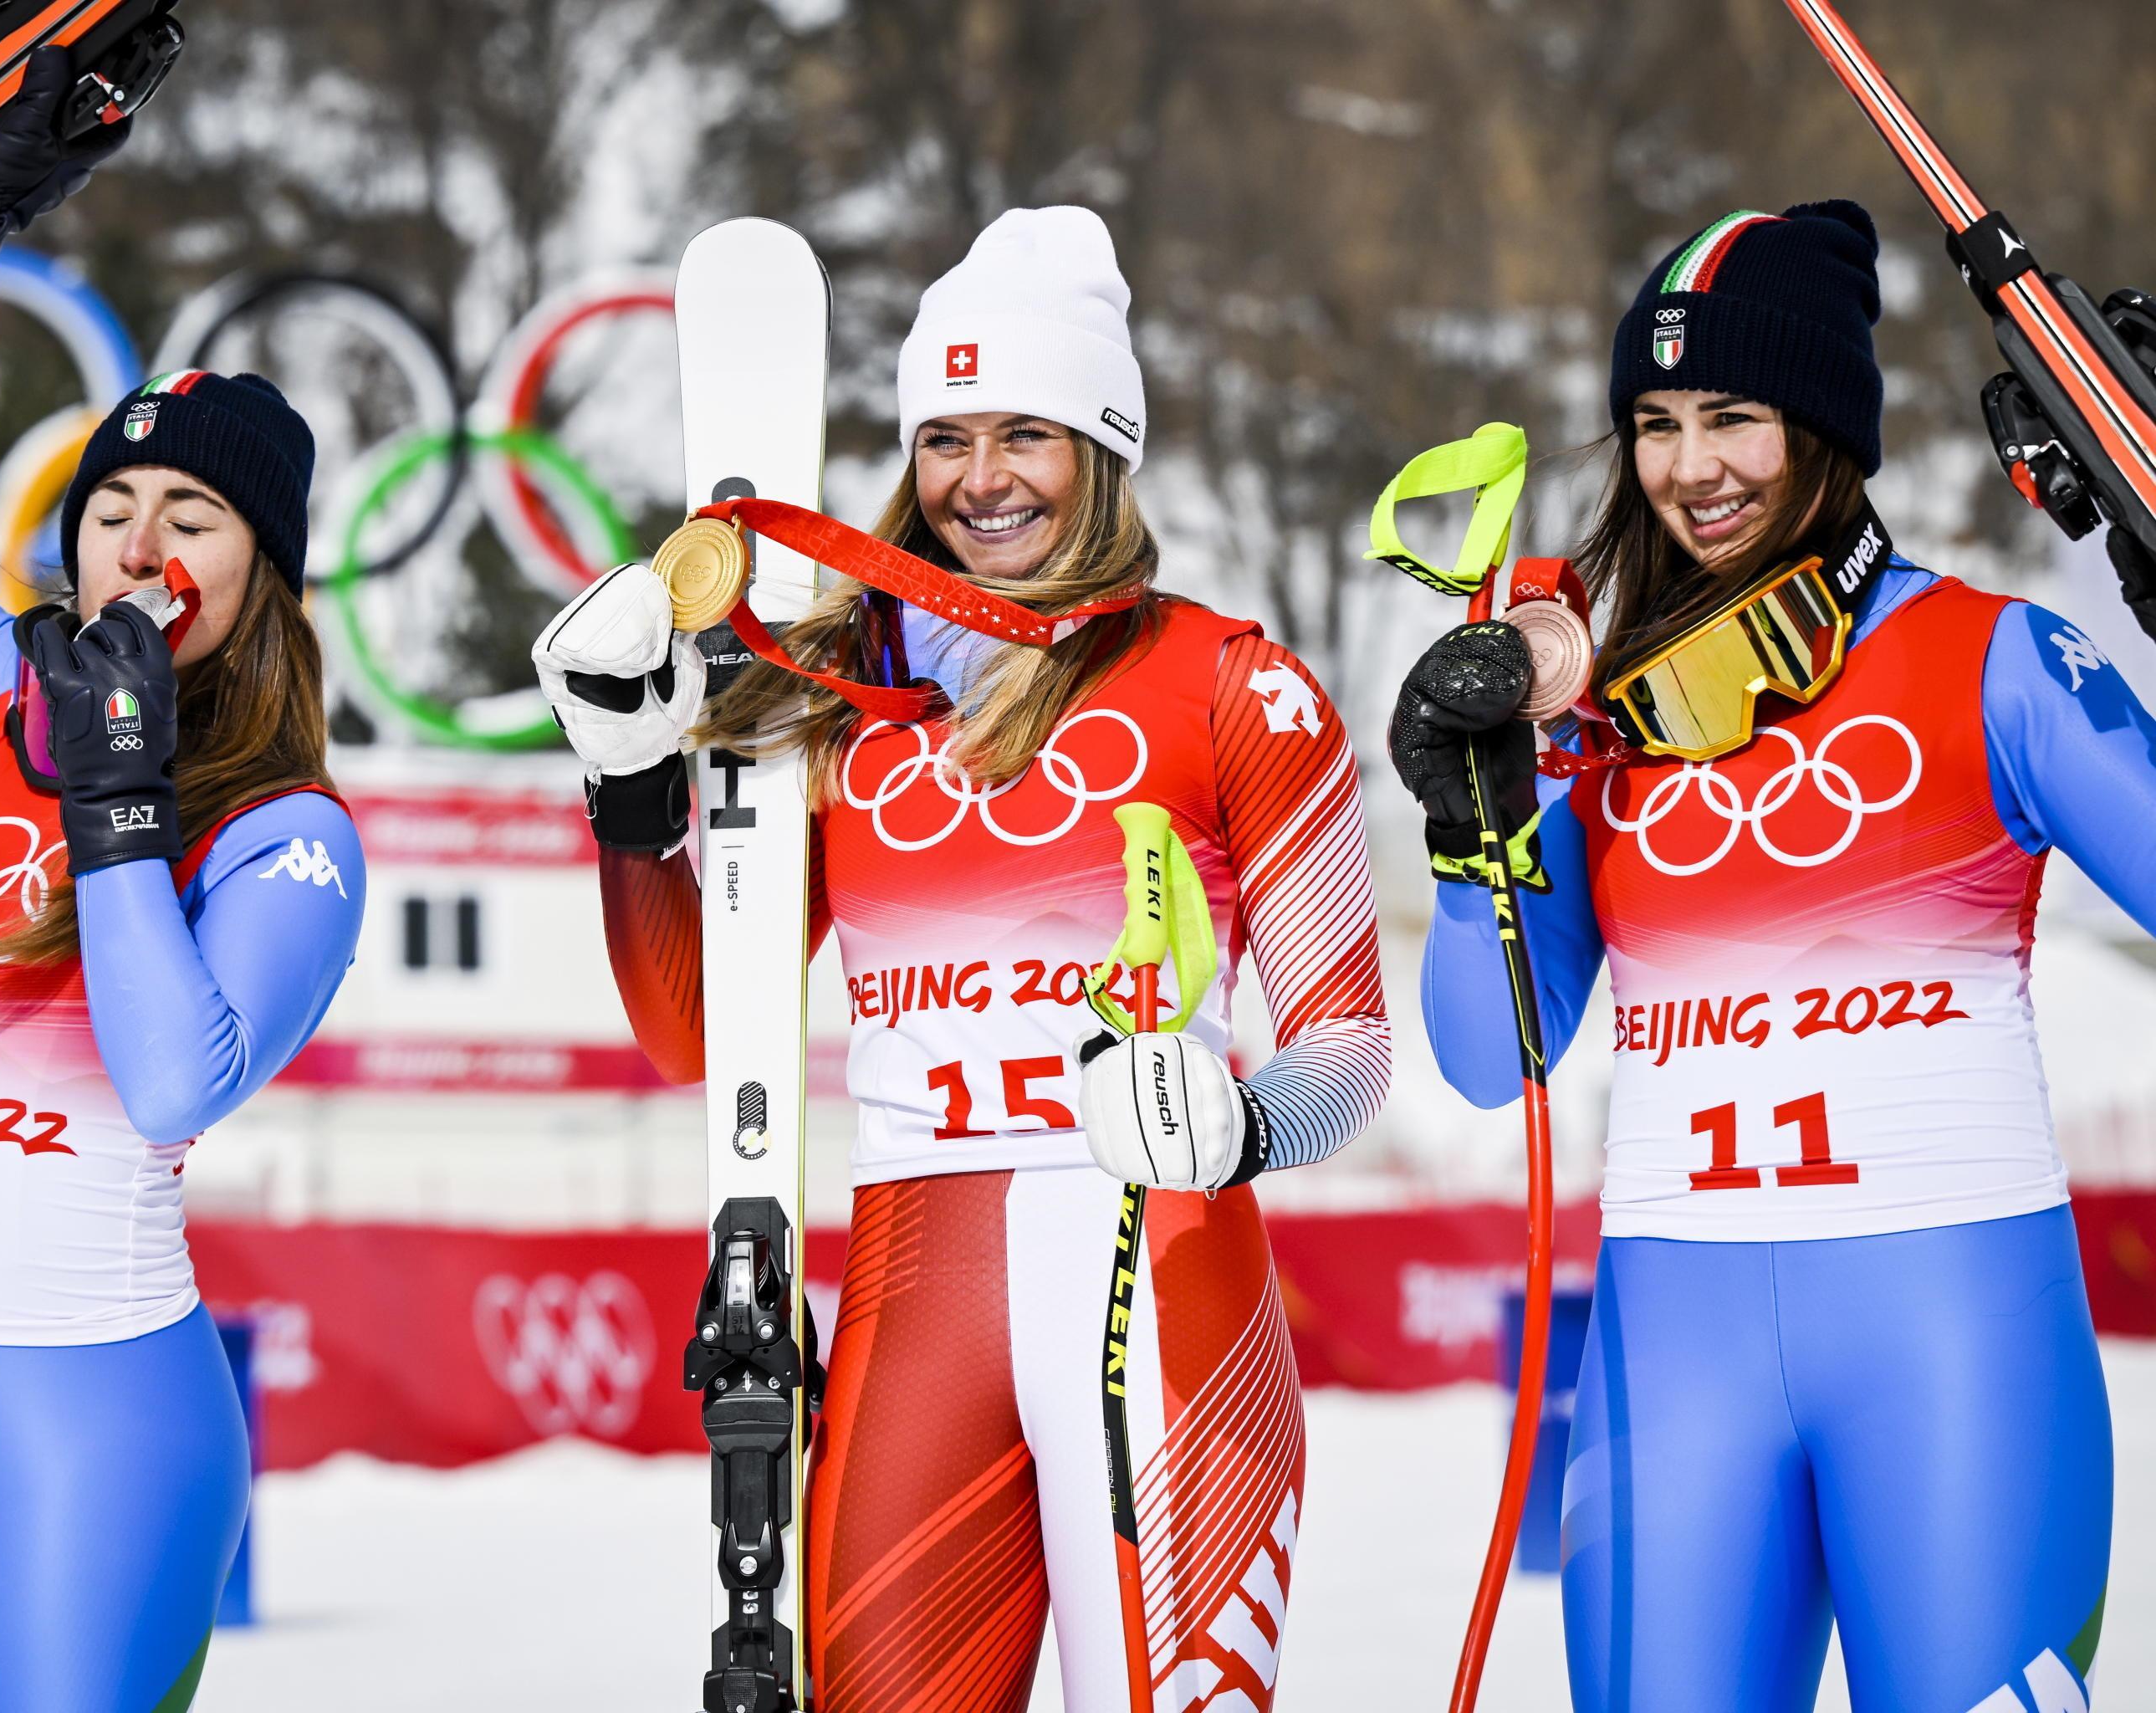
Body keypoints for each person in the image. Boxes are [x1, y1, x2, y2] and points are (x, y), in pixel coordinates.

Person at [537, 207, 1391, 1711]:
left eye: (1028, 435)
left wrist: (1242, 1121)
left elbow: (1348, 1052)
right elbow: (693, 1035)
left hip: (1156, 1270)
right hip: (913, 1273)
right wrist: (624, 796)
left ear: (1105, 450)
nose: (979, 480)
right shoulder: (830, 700)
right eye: (945, 437)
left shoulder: (1232, 683)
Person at [1396, 201, 2154, 1713]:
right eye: (1658, 423)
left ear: (1825, 425)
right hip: (1672, 1358)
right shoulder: (1593, 714)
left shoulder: (1990, 661)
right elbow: (1490, 1058)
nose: (1691, 467)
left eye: (1735, 415)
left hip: (1956, 1339)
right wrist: (1477, 810)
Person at [0, 49, 365, 1713]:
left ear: (263, 578)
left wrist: (119, 799)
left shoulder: (283, 833)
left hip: (84, 1425)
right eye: (115, 507)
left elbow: (176, 1071)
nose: (143, 547)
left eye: (198, 519)